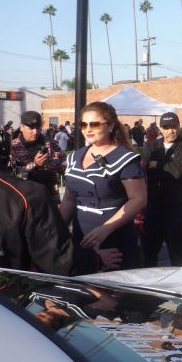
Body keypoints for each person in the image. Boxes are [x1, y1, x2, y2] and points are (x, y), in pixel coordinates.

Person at [0, 110, 120, 274]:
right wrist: (96, 261)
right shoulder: (26, 195)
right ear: (2, 143)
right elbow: (59, 259)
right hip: (2, 299)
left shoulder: (47, 149)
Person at [60, 101, 147, 271]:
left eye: (94, 124)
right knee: (80, 291)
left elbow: (139, 199)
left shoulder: (125, 158)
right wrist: (56, 231)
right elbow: (69, 200)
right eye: (84, 124)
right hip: (81, 239)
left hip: (114, 240)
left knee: (108, 294)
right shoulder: (74, 157)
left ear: (111, 126)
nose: (88, 129)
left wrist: (105, 229)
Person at [142, 112, 182, 267]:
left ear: (178, 126)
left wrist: (155, 165)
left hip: (175, 209)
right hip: (153, 208)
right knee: (148, 253)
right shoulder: (151, 146)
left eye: (174, 127)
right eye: (166, 127)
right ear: (160, 129)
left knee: (177, 256)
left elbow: (176, 171)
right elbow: (144, 171)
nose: (171, 131)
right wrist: (161, 169)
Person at [10, 110, 65, 203]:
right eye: (31, 128)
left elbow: (62, 161)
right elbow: (12, 175)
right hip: (24, 195)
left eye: (38, 127)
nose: (35, 132)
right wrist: (34, 164)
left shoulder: (50, 143)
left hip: (49, 193)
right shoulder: (13, 146)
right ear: (21, 127)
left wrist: (52, 164)